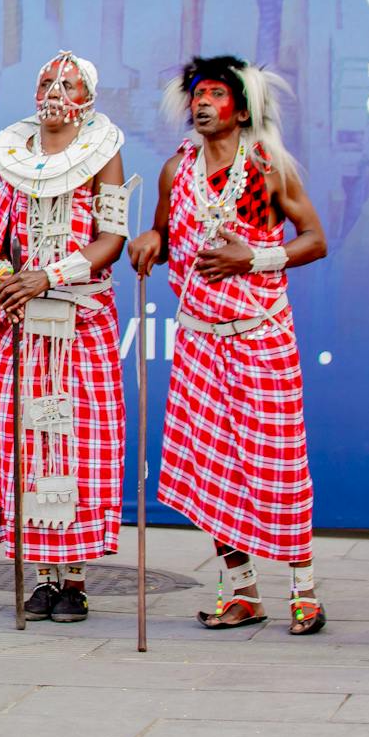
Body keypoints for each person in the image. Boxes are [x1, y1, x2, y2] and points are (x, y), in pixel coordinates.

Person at [128, 55, 329, 634]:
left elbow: (314, 239)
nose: (202, 102)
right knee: (210, 467)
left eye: (215, 93)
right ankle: (241, 591)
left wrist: (255, 257)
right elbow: (167, 236)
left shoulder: (268, 167)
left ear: (241, 109)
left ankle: (304, 591)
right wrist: (150, 240)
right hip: (198, 339)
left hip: (260, 334)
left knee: (278, 463)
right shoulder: (176, 169)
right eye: (197, 94)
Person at [0, 51, 129, 622]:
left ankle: (76, 581)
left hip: (78, 321)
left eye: (67, 83)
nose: (54, 92)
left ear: (87, 97)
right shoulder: (9, 153)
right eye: (46, 81)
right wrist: (7, 285)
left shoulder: (104, 152)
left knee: (76, 446)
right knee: (29, 449)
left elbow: (111, 238)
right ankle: (41, 578)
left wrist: (51, 275)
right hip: (24, 322)